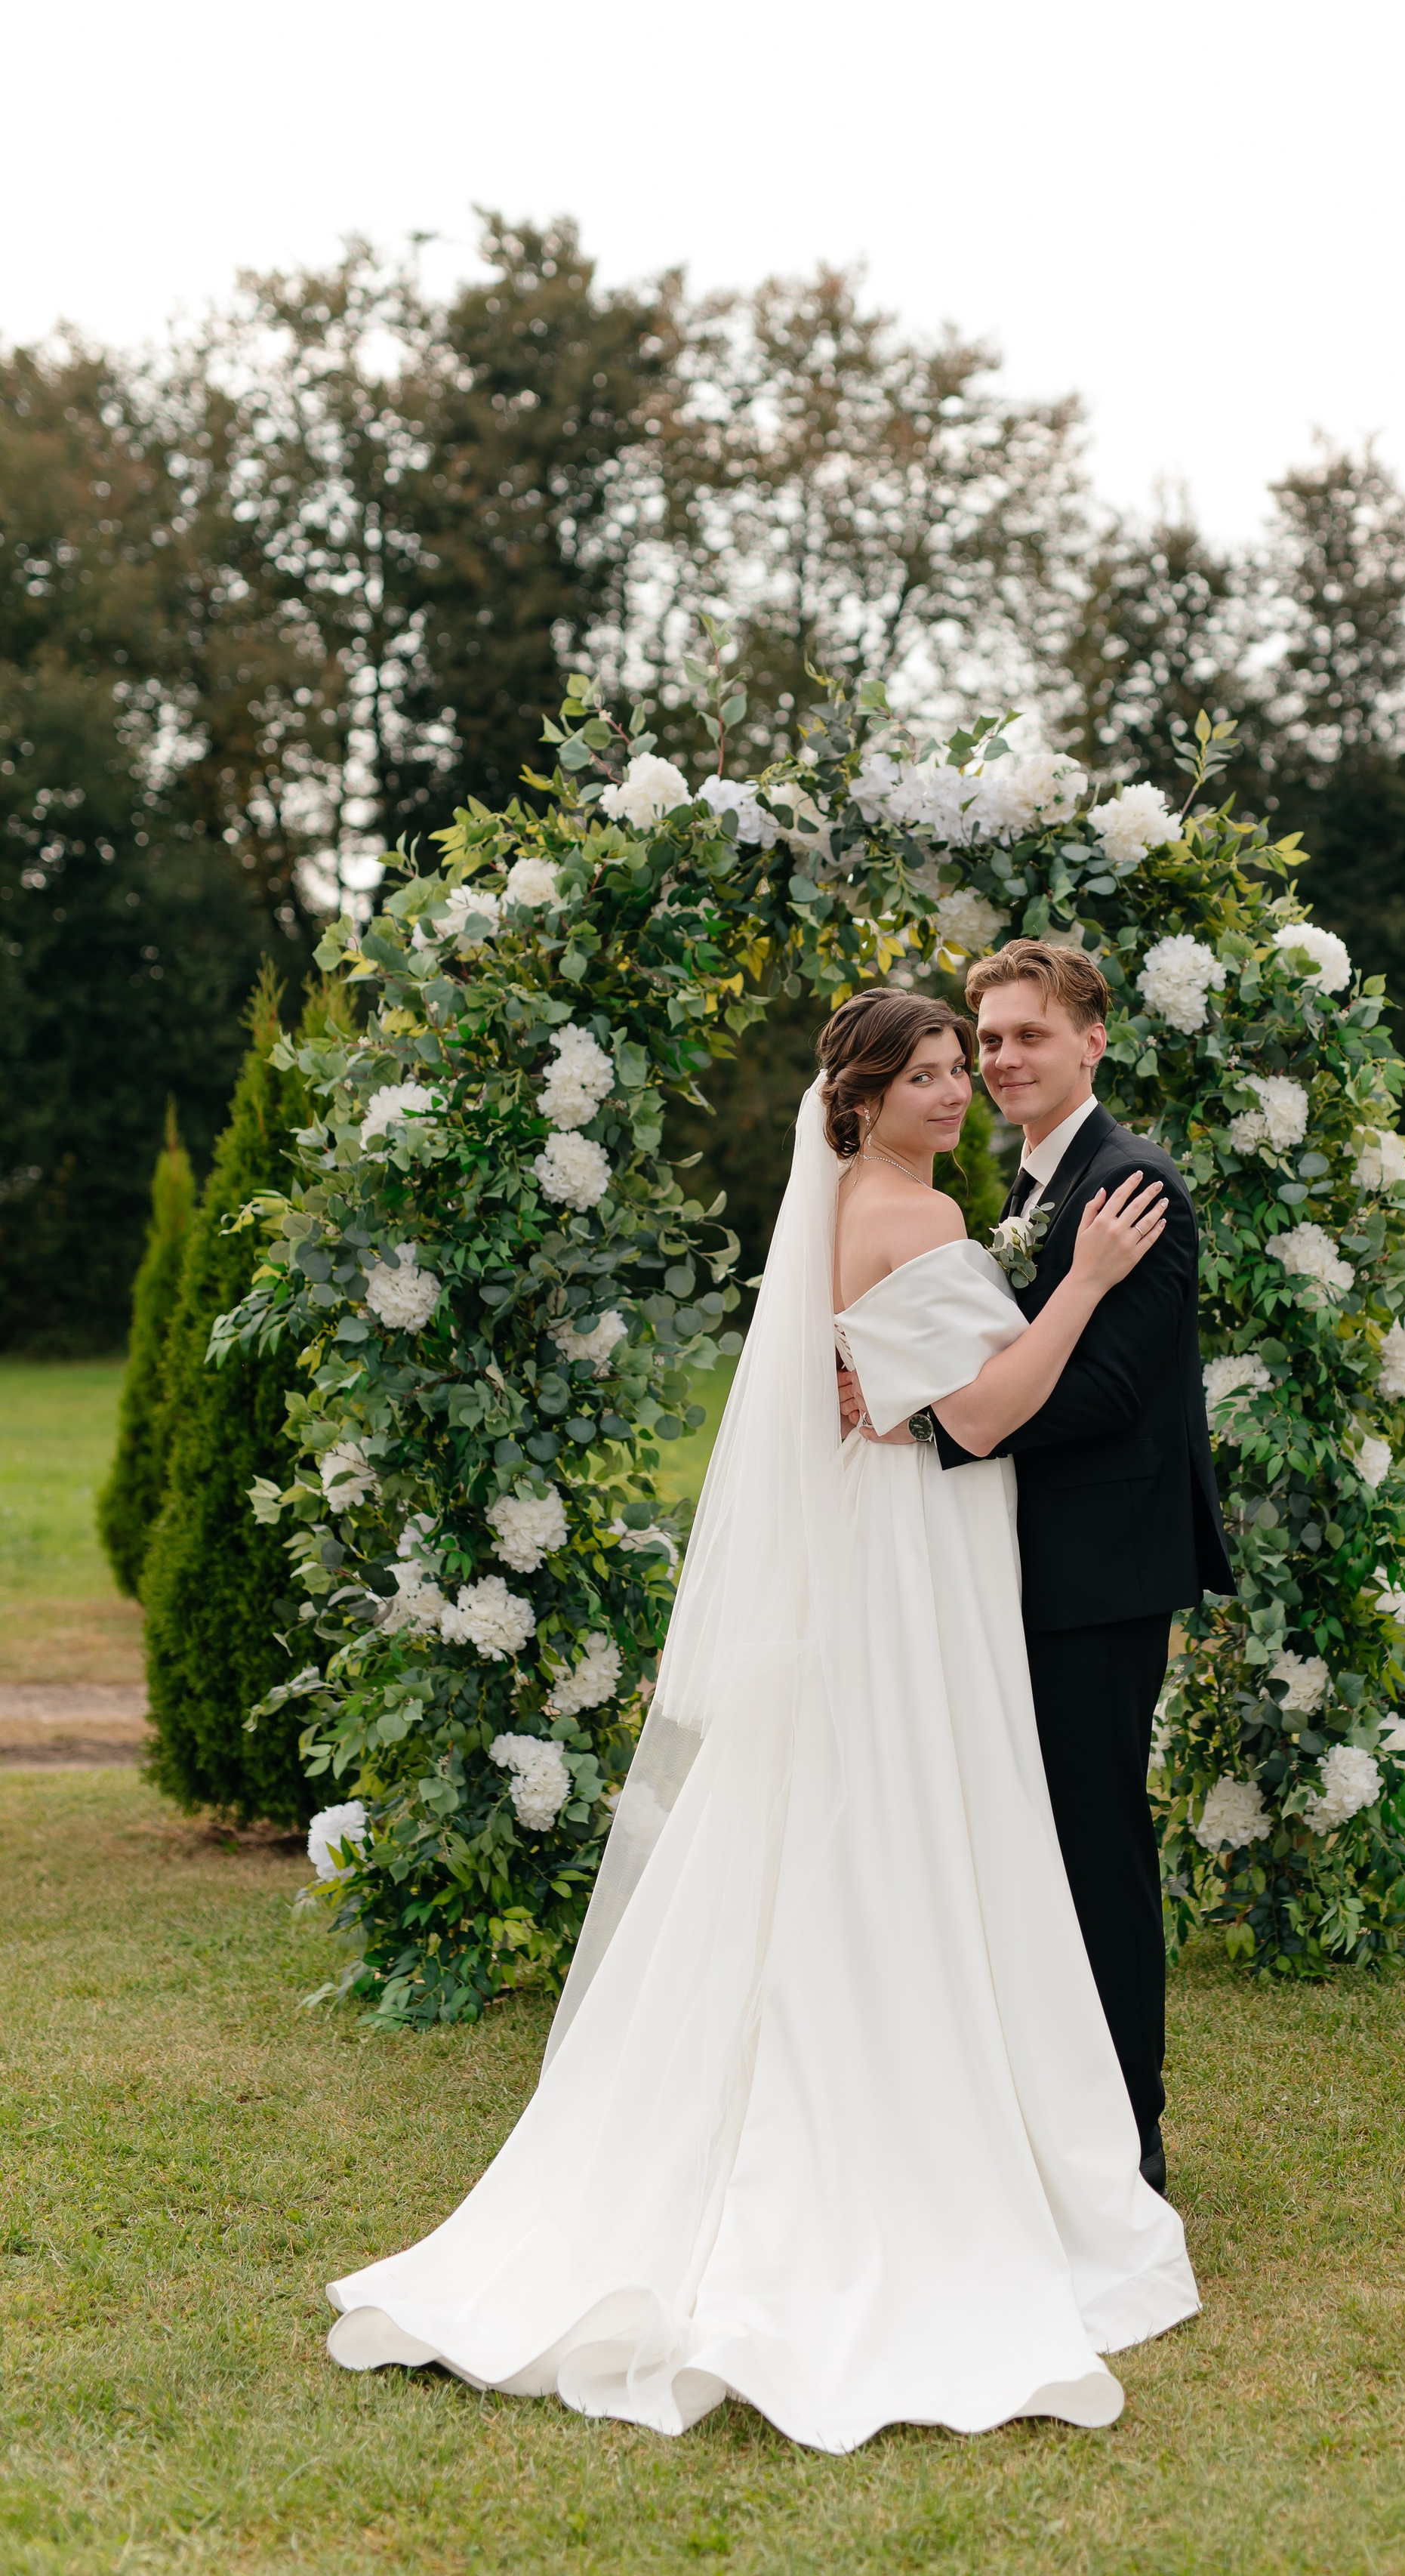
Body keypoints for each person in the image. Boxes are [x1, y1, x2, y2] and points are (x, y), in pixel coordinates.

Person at [325, 990, 1198, 2451]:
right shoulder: (918, 1214)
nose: (958, 1092)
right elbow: (986, 1415)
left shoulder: (860, 1206)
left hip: (894, 1540)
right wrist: (1084, 1284)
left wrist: (919, 1385)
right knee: (918, 1811)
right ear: (859, 1101)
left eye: (964, 1067)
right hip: (915, 1562)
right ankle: (906, 2131)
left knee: (865, 1820)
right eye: (928, 1076)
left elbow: (915, 1392)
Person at [843, 941, 1234, 2195]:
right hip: (1005, 1564)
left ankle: (1130, 2130)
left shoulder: (1131, 1182)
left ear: (1092, 1042)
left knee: (1095, 1842)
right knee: (1025, 1842)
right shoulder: (1025, 1186)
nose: (1002, 1062)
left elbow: (1111, 1392)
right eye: (990, 1041)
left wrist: (933, 1419)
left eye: (1027, 1037)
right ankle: (1036, 2107)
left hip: (1099, 1571)